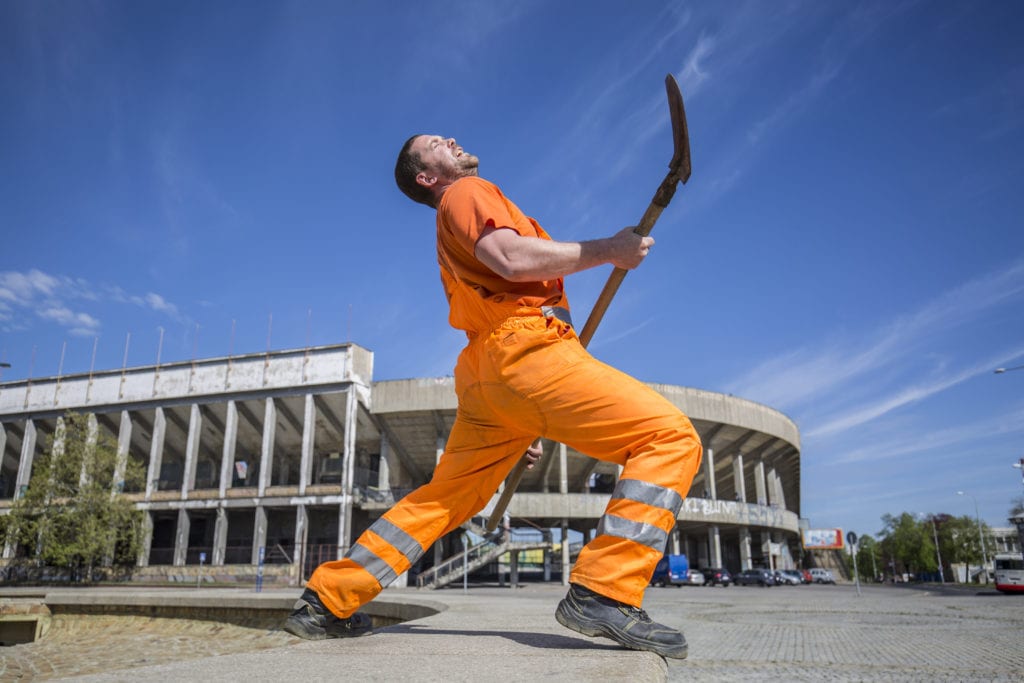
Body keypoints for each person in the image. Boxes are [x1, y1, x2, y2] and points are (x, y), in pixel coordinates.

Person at [283, 134, 703, 659]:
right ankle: (605, 591)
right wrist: (609, 250)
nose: (453, 140)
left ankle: (328, 600)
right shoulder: (465, 192)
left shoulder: (449, 219)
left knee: (444, 499)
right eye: (437, 143)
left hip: (490, 373)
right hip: (525, 349)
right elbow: (507, 257)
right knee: (669, 437)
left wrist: (519, 416)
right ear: (427, 177)